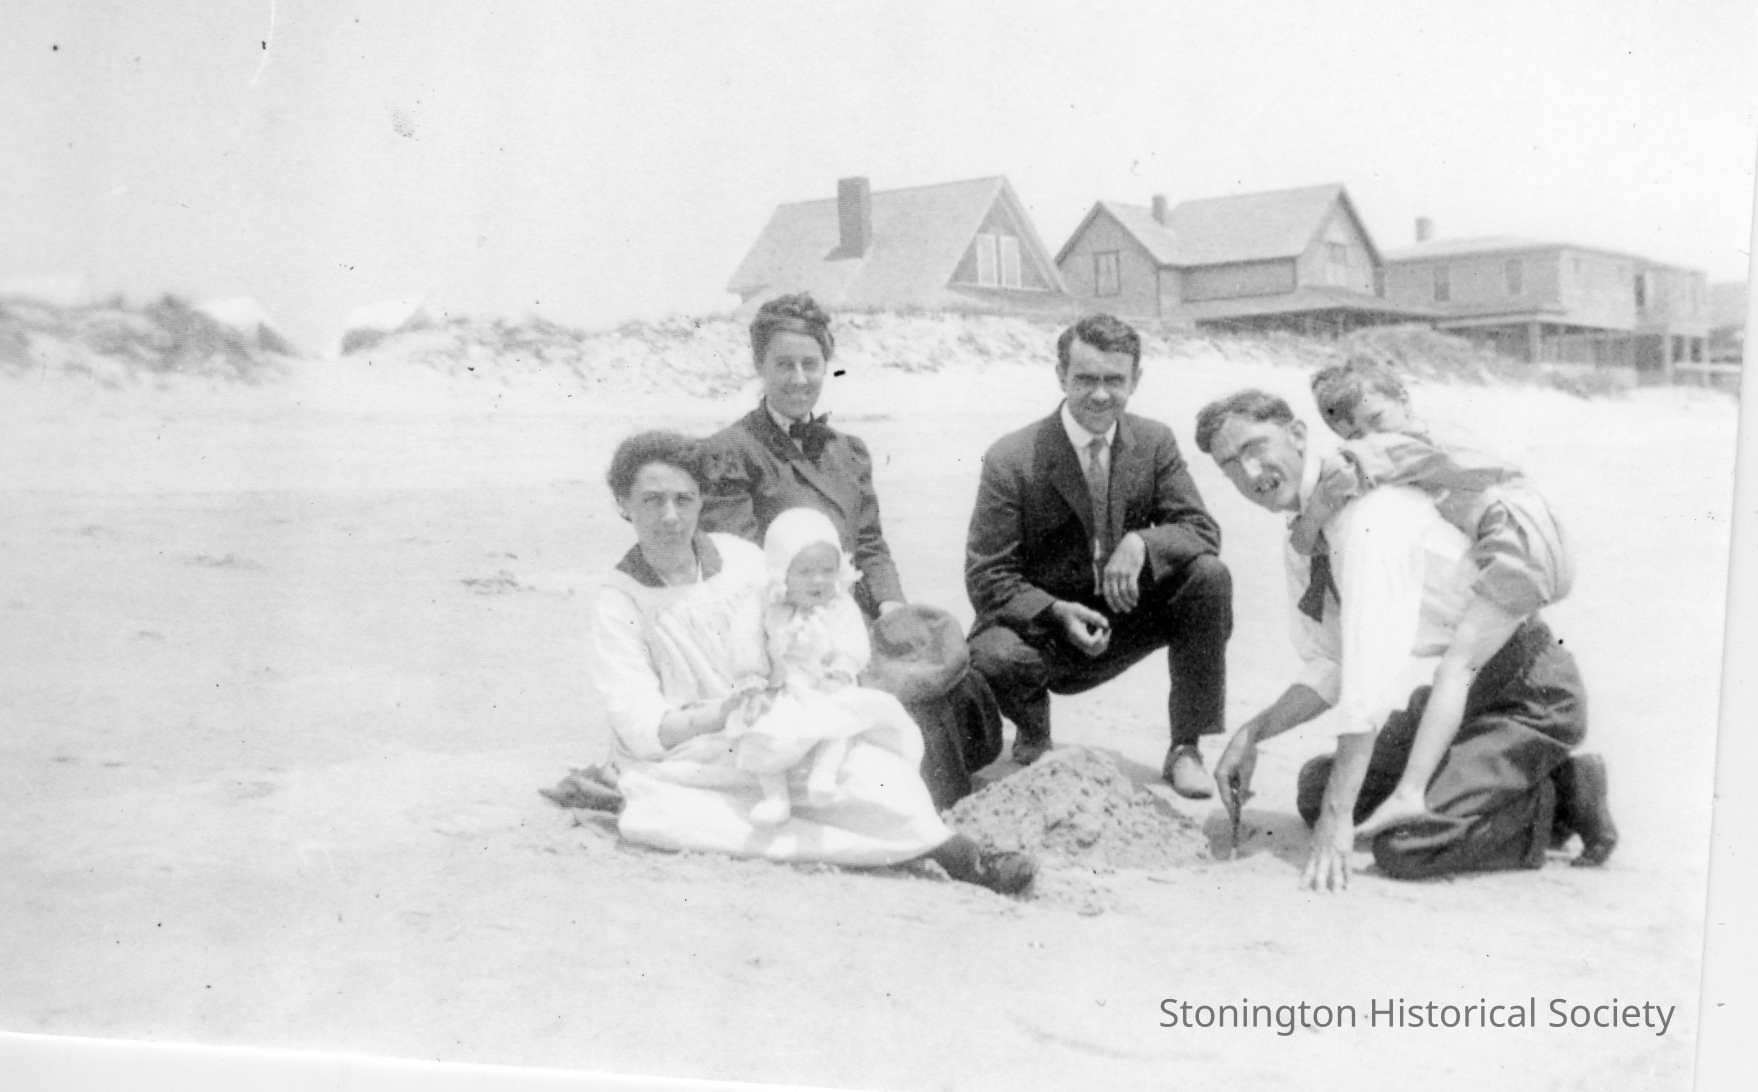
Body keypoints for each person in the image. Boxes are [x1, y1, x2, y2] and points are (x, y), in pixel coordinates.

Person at [1193, 390, 1615, 890]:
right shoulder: (1306, 532)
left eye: (1255, 447)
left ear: (1298, 435)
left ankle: (1562, 793)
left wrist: (1337, 819)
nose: (1249, 472)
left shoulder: (1369, 519)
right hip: (1453, 698)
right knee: (1315, 790)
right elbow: (1332, 663)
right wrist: (1254, 732)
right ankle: (1484, 782)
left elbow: (1368, 681)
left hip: (1529, 692)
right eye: (1230, 465)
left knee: (1407, 848)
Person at [586, 430, 1035, 893]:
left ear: (701, 499)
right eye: (652, 500)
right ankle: (947, 852)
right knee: (683, 814)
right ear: (624, 504)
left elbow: (807, 621)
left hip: (785, 716)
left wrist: (813, 677)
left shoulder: (741, 560)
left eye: (684, 499)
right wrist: (726, 712)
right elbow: (641, 726)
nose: (670, 516)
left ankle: (953, 850)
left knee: (867, 773)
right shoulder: (620, 601)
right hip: (693, 747)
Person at [702, 293, 1003, 807]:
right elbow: (745, 565)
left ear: (827, 365)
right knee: (901, 701)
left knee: (951, 672)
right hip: (790, 625)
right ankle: (927, 809)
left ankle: (948, 789)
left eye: (810, 364)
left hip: (856, 608)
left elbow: (869, 543)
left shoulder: (847, 451)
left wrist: (891, 606)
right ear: (759, 366)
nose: (799, 379)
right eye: (783, 364)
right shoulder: (732, 452)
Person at [1298, 359, 1590, 843]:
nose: (1369, 437)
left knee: (1457, 667)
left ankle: (1413, 792)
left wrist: (1306, 527)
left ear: (1403, 400)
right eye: (1352, 432)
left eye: (1376, 419)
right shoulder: (1437, 437)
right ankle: (1440, 785)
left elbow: (1343, 472)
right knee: (1458, 668)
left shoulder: (1404, 444)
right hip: (1532, 533)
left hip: (1515, 538)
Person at [964, 313, 1231, 798]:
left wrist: (1142, 543)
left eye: (1115, 380)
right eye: (1086, 379)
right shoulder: (1012, 456)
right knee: (992, 653)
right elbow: (988, 574)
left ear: (1136, 380)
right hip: (1045, 632)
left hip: (1122, 616)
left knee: (1208, 577)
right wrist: (1055, 611)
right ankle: (1034, 735)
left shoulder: (1153, 441)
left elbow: (1201, 530)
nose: (1101, 395)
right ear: (1060, 376)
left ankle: (1186, 747)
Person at [728, 507, 925, 826]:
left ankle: (824, 774)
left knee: (841, 720)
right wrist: (752, 681)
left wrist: (842, 668)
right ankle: (775, 797)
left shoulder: (839, 605)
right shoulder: (766, 605)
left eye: (827, 570)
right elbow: (747, 640)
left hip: (825, 683)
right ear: (781, 571)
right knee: (764, 734)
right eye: (805, 571)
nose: (818, 580)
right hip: (782, 688)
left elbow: (852, 640)